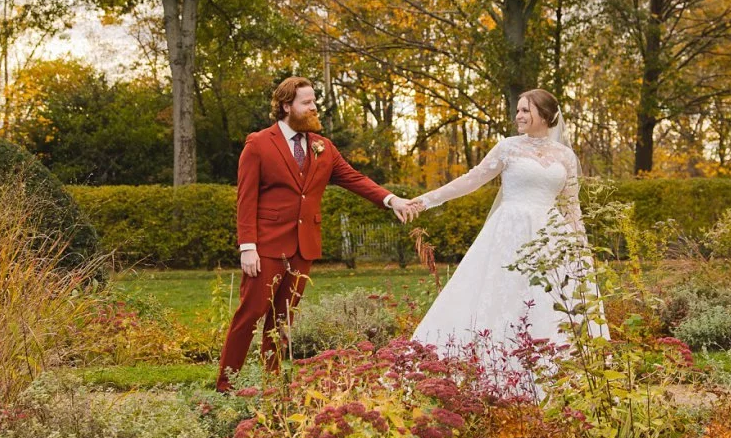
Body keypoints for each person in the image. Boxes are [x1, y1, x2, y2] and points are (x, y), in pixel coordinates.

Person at [215, 76, 416, 392]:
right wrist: (247, 246)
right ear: (286, 106)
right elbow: (246, 198)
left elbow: (354, 178)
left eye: (314, 102)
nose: (313, 108)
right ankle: (226, 386)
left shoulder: (323, 147)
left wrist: (391, 200)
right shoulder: (259, 144)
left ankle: (272, 386)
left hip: (303, 248)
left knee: (282, 321)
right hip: (265, 247)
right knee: (250, 314)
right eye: (307, 102)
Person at [406, 88, 609, 380]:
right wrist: (425, 200)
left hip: (550, 238)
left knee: (546, 301)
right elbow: (471, 180)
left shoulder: (566, 156)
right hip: (508, 235)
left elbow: (571, 207)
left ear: (546, 114)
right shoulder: (508, 148)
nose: (519, 116)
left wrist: (580, 251)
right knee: (502, 295)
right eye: (518, 110)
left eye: (526, 110)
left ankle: (550, 370)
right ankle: (492, 366)